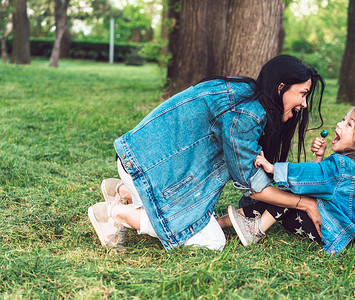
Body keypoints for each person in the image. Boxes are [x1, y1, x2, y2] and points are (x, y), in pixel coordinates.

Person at [88, 55, 325, 251]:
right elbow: (254, 186)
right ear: (281, 87)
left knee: (201, 221)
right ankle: (113, 213)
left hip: (137, 158)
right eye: (303, 94)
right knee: (213, 241)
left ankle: (125, 191)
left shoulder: (243, 90)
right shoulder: (247, 116)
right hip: (147, 169)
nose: (304, 104)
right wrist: (304, 203)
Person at [219, 107, 355, 255]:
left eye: (349, 124)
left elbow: (308, 178)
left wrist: (273, 168)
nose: (339, 124)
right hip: (342, 232)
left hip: (327, 230)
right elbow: (320, 182)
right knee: (290, 196)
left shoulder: (343, 165)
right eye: (343, 119)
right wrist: (319, 157)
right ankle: (220, 222)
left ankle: (256, 230)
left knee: (288, 195)